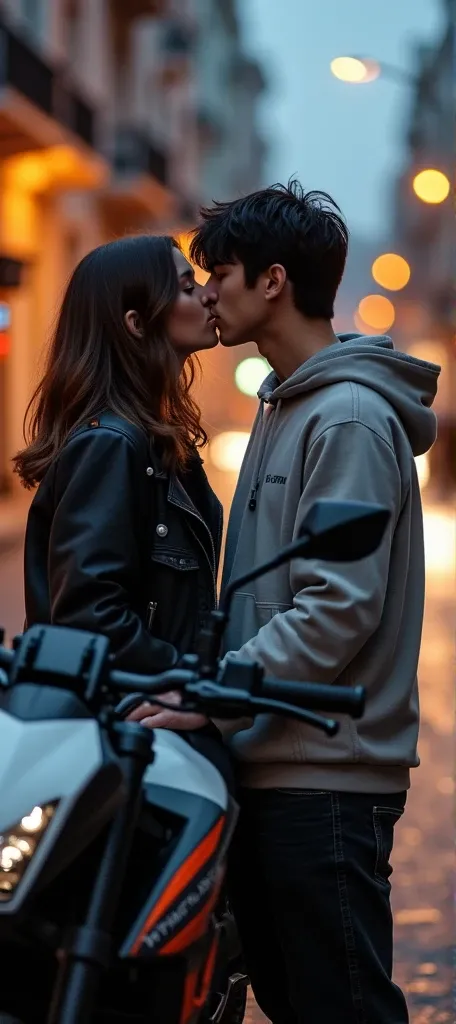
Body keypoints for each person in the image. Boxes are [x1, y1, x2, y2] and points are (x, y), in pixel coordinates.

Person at [187, 181, 441, 1024]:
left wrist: (211, 694)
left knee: (343, 1006)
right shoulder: (285, 405)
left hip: (325, 776)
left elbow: (338, 607)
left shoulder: (350, 419)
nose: (205, 293)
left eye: (217, 271)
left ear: (271, 280)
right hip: (279, 762)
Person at [15, 234, 222, 730]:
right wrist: (193, 681)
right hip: (126, 728)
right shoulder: (113, 444)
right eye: (187, 286)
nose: (207, 295)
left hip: (137, 718)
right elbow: (92, 614)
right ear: (136, 323)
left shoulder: (153, 442)